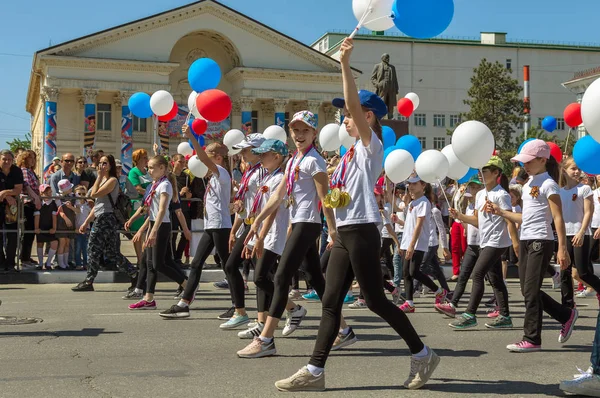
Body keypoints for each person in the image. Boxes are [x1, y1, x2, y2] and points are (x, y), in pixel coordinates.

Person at [274, 38, 438, 392]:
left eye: (349, 113)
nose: (344, 118)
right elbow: (340, 196)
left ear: (367, 116)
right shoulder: (348, 156)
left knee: (377, 301)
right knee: (330, 302)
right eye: (344, 114)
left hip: (363, 231)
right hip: (344, 233)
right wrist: (333, 207)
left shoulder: (370, 145)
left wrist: (344, 65)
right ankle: (314, 372)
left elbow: (352, 101)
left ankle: (422, 353)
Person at [235, 110, 336, 360]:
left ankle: (266, 339)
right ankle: (344, 328)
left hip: (307, 224)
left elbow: (325, 200)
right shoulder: (293, 161)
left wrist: (333, 232)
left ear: (314, 133)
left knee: (280, 278)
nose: (300, 135)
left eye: (305, 130)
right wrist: (255, 223)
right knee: (316, 279)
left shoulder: (315, 161)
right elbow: (278, 197)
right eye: (296, 130)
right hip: (298, 222)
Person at [493, 139, 578, 352]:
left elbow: (557, 217)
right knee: (526, 290)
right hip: (526, 239)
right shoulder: (528, 184)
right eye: (523, 162)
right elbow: (525, 217)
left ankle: (532, 339)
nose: (525, 165)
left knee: (530, 292)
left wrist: (562, 248)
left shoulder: (549, 184)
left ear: (542, 159)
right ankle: (565, 315)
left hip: (542, 240)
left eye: (529, 161)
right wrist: (501, 212)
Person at [159, 126, 232, 318]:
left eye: (207, 153)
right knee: (196, 263)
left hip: (221, 227)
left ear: (217, 157)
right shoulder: (213, 177)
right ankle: (184, 304)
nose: (201, 158)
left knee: (228, 266)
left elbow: (203, 158)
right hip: (212, 226)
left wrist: (191, 136)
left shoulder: (222, 173)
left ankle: (237, 304)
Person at [446, 157, 518, 330]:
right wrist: (459, 216)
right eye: (480, 171)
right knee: (496, 279)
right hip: (484, 241)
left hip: (497, 242)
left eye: (485, 171)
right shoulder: (479, 194)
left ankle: (470, 314)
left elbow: (509, 220)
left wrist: (515, 244)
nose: (481, 174)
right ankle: (505, 316)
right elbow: (477, 221)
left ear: (496, 173)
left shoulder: (502, 195)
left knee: (477, 275)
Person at [235, 139, 289, 341]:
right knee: (263, 277)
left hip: (274, 233)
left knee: (260, 277)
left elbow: (273, 212)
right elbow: (260, 208)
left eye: (264, 154)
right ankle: (270, 318)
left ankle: (292, 307)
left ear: (276, 157)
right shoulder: (269, 177)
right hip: (263, 233)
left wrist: (260, 237)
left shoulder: (279, 179)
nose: (260, 157)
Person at [217, 133, 266, 329]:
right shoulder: (249, 172)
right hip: (248, 224)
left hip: (259, 226)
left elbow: (264, 203)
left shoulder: (262, 172)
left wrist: (256, 232)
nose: (242, 154)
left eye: (246, 150)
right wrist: (234, 229)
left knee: (261, 275)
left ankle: (263, 316)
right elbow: (244, 204)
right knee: (259, 274)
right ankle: (246, 313)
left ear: (257, 151)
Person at [71, 155, 138, 292]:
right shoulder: (102, 180)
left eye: (105, 163)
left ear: (110, 166)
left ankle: (89, 280)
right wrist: (87, 221)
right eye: (100, 163)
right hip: (101, 216)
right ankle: (134, 274)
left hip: (107, 218)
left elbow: (93, 194)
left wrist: (99, 177)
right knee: (111, 252)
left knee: (93, 247)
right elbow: (97, 204)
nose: (101, 166)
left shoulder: (112, 180)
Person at [127, 156, 184, 310]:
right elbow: (148, 208)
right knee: (150, 262)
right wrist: (133, 221)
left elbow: (161, 210)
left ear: (163, 169)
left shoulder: (165, 185)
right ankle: (149, 298)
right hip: (154, 224)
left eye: (152, 167)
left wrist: (153, 232)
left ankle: (188, 285)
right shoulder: (154, 185)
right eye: (149, 167)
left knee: (159, 264)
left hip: (161, 226)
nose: (149, 170)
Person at [435, 177, 483, 317]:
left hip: (484, 244)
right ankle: (453, 305)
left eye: (476, 188)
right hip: (472, 244)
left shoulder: (484, 203)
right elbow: (468, 222)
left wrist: (460, 216)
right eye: (472, 187)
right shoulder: (469, 205)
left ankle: (502, 309)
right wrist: (463, 225)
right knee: (463, 276)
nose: (473, 191)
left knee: (491, 278)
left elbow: (478, 222)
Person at [558, 157, 600, 306]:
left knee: (583, 273)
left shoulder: (585, 189)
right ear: (564, 170)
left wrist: (581, 232)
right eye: (573, 168)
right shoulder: (559, 191)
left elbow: (588, 212)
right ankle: (568, 305)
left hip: (580, 234)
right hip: (565, 235)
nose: (577, 172)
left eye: (578, 169)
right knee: (564, 272)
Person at [0, 150, 24, 271]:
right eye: (4, 159)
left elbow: (18, 189)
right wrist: (8, 195)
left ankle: (10, 263)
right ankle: (1, 262)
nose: (7, 162)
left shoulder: (16, 170)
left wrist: (5, 193)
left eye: (9, 159)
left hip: (12, 208)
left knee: (12, 235)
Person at [17, 150, 41, 267]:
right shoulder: (24, 170)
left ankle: (26, 256)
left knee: (31, 232)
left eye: (33, 158)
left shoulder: (31, 171)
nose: (32, 160)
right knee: (27, 232)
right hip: (27, 203)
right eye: (30, 158)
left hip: (32, 203)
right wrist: (36, 197)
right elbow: (26, 185)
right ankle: (24, 258)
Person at [171, 154, 193, 265]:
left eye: (184, 162)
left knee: (186, 232)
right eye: (180, 161)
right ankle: (173, 257)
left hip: (184, 208)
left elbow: (189, 194)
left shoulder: (186, 176)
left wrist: (188, 194)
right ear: (173, 162)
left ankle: (178, 256)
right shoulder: (170, 176)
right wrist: (180, 193)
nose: (182, 164)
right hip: (174, 209)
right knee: (173, 234)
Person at [34, 184, 58, 271]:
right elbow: (37, 216)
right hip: (41, 227)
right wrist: (36, 228)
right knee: (40, 243)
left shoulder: (53, 204)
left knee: (54, 243)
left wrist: (54, 228)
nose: (48, 194)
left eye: (50, 192)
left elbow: (54, 217)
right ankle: (40, 263)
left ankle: (48, 263)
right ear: (41, 193)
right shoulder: (38, 204)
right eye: (46, 193)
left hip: (50, 227)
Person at [55, 179, 77, 270]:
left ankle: (66, 262)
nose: (71, 189)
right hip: (61, 223)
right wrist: (66, 219)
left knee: (67, 243)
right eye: (69, 188)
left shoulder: (72, 197)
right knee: (62, 243)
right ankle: (60, 263)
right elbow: (60, 211)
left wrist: (71, 207)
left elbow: (76, 209)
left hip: (70, 222)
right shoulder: (58, 198)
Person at [73, 185, 91, 270]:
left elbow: (91, 216)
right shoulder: (75, 204)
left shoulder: (88, 204)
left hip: (86, 228)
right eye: (79, 193)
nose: (81, 195)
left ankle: (86, 264)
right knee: (78, 247)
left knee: (86, 247)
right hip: (77, 228)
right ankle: (78, 263)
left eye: (83, 193)